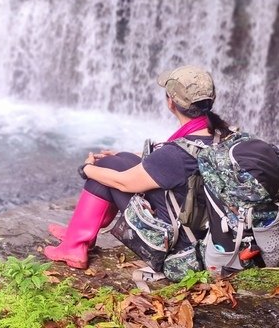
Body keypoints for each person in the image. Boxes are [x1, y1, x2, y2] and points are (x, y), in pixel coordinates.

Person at [43, 65, 233, 269]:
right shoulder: (221, 135)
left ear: (171, 102)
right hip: (202, 228)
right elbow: (171, 161)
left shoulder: (175, 155)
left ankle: (74, 245)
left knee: (107, 168)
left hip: (176, 242)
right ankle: (79, 233)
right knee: (121, 158)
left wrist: (87, 169)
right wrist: (128, 155)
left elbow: (123, 183)